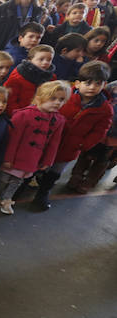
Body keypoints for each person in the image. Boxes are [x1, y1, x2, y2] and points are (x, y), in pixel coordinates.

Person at [33, 61, 113, 209]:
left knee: (56, 171)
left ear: (104, 85)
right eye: (88, 83)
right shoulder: (64, 96)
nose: (92, 87)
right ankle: (23, 185)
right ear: (77, 83)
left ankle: (43, 193)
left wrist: (83, 144)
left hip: (70, 147)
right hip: (47, 140)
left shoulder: (105, 109)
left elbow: (100, 131)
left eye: (98, 83)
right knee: (35, 164)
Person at [0, 81, 68, 214]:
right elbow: (12, 139)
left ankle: (6, 199)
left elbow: (54, 143)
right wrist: (7, 158)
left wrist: (47, 161)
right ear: (39, 98)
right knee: (2, 179)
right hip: (14, 157)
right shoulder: (24, 115)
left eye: (61, 99)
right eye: (53, 98)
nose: (57, 102)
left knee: (17, 181)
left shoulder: (58, 120)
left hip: (32, 159)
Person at [4, 45, 55, 115]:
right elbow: (10, 101)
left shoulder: (51, 77)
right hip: (20, 114)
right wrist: (20, 115)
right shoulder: (18, 76)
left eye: (49, 60)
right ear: (30, 60)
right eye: (41, 59)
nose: (45, 62)